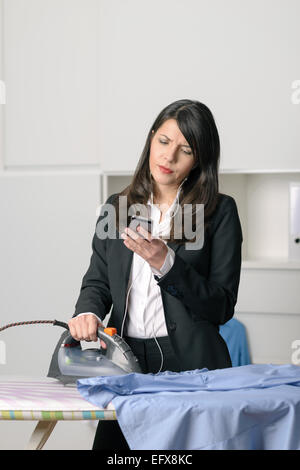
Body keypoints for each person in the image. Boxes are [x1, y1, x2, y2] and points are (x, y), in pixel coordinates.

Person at [68, 99, 243, 450]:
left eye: (186, 149)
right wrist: (86, 312)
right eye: (163, 142)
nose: (169, 157)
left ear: (199, 160)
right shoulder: (116, 208)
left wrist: (167, 264)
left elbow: (221, 306)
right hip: (125, 360)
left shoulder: (220, 212)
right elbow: (98, 280)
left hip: (192, 365)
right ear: (151, 139)